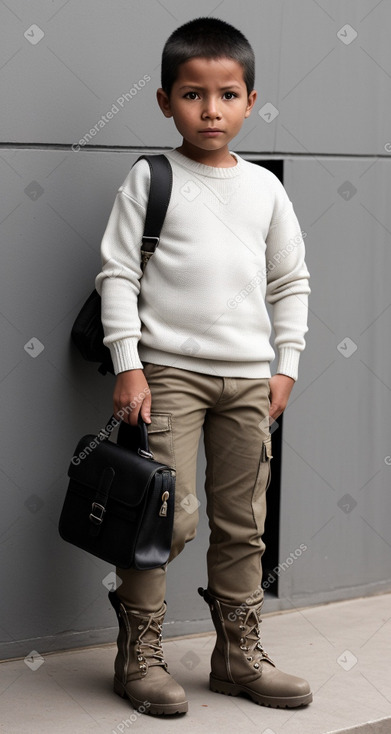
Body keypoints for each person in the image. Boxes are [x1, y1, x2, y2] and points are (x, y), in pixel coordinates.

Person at [95, 16, 312, 716]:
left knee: (242, 521)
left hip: (250, 380)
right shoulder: (152, 178)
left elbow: (291, 282)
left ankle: (237, 657)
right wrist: (128, 366)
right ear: (165, 101)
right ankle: (140, 657)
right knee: (166, 518)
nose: (210, 110)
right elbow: (118, 274)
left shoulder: (264, 189)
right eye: (192, 94)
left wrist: (286, 365)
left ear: (251, 101)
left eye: (226, 95)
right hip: (168, 376)